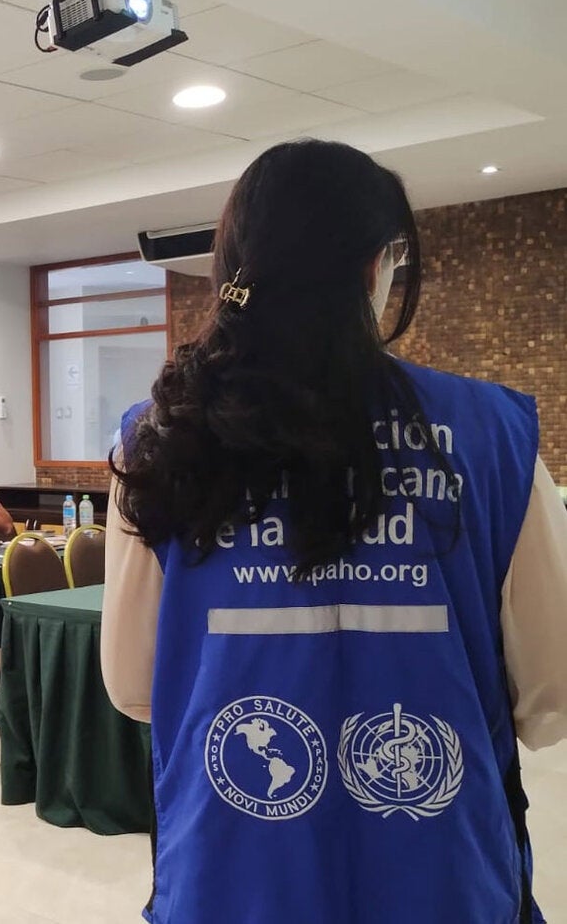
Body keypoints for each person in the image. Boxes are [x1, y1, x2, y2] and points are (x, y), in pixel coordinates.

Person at [102, 139, 567, 923]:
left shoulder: (161, 438)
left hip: (231, 873)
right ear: (376, 266)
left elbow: (134, 684)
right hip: (442, 870)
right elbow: (552, 693)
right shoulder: (493, 435)